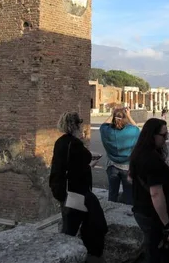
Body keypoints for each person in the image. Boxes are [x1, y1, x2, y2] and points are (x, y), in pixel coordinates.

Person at [49, 112, 107, 261]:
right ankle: (77, 256)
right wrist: (80, 139)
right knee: (77, 227)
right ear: (75, 125)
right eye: (80, 124)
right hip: (75, 192)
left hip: (63, 190)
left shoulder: (60, 141)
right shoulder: (74, 143)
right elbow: (86, 158)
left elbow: (71, 165)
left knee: (71, 224)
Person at [130, 118, 169, 262]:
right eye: (164, 135)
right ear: (152, 135)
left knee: (154, 248)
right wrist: (167, 225)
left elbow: (131, 178)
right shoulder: (151, 159)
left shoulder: (138, 154)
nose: (166, 139)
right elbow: (156, 193)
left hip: (141, 210)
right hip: (153, 213)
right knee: (165, 249)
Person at [99, 107, 140, 204]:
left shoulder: (106, 131)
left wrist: (113, 114)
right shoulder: (131, 131)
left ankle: (111, 211)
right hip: (127, 166)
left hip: (112, 165)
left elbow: (103, 126)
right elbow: (137, 129)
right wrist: (129, 116)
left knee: (112, 193)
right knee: (129, 194)